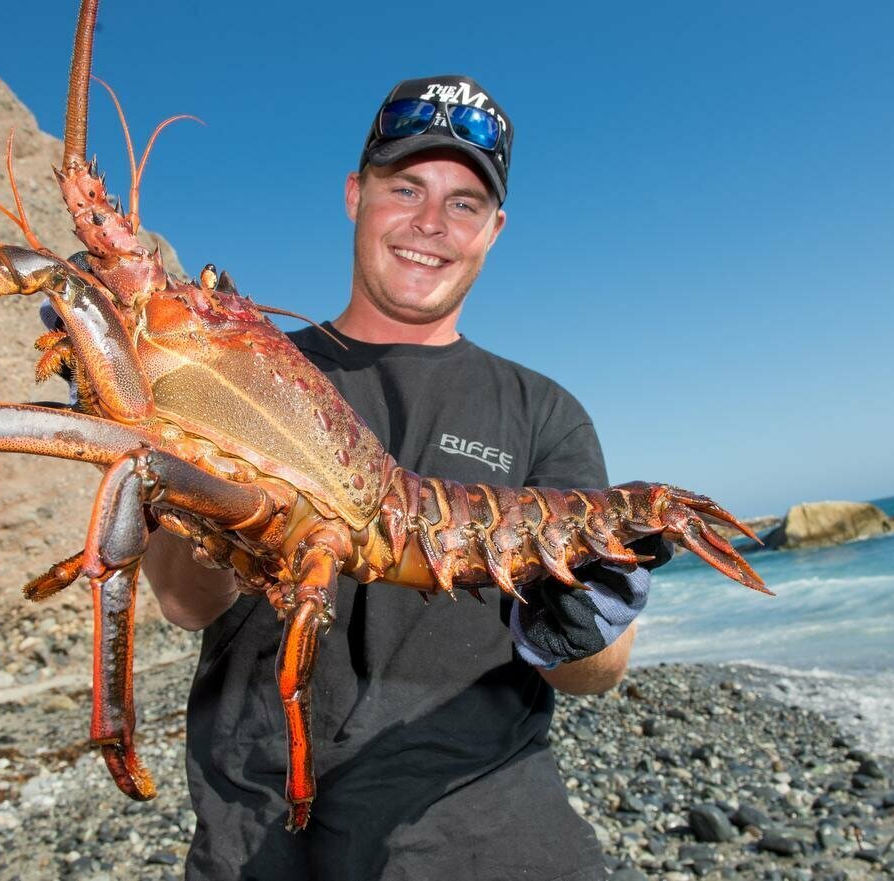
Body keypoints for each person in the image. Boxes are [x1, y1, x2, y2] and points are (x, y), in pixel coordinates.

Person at [141, 75, 670, 881]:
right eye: (407, 186)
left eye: (464, 203)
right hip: (256, 835)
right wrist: (170, 427)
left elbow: (597, 674)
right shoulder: (246, 365)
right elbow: (182, 602)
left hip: (483, 836)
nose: (432, 222)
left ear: (494, 230)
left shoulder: (544, 413)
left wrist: (581, 624)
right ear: (356, 195)